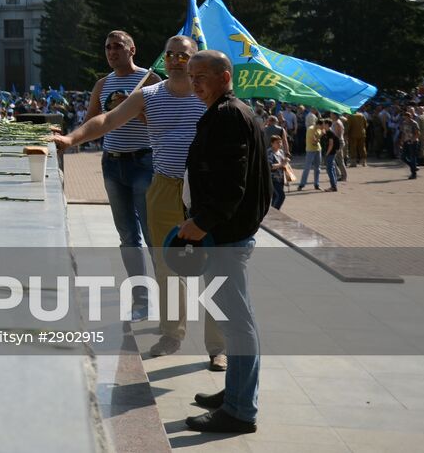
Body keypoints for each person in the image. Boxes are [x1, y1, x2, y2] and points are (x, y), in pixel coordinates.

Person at [54, 36, 224, 367]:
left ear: (193, 61)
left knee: (214, 265)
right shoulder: (148, 95)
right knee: (166, 263)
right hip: (162, 187)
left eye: (183, 55)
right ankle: (171, 333)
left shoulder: (208, 97)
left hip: (204, 191)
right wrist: (70, 139)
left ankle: (218, 346)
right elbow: (107, 120)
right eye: (170, 54)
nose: (175, 60)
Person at [179, 50, 270, 434]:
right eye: (190, 75)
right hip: (223, 234)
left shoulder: (229, 114)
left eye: (201, 75)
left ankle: (239, 411)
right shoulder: (224, 111)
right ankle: (234, 392)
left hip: (225, 236)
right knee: (234, 320)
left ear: (225, 75)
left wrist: (201, 223)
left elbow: (232, 184)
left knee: (238, 324)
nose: (195, 82)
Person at [83, 30, 160, 320]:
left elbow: (161, 123)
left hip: (144, 163)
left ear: (132, 50)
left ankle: (167, 299)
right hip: (113, 165)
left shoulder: (151, 81)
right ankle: (141, 301)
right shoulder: (102, 84)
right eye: (107, 47)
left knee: (153, 235)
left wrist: (131, 108)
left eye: (118, 47)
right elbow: (90, 121)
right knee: (128, 237)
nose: (112, 52)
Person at [296, 117, 324, 191]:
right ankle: (302, 184)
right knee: (307, 168)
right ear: (318, 124)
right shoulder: (311, 129)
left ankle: (316, 184)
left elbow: (317, 141)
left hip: (318, 149)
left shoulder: (319, 129)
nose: (323, 127)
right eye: (322, 126)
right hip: (310, 150)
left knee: (317, 168)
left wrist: (321, 134)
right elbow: (314, 142)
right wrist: (321, 135)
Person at [267, 135, 288, 210]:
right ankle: (275, 213)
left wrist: (285, 162)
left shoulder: (281, 152)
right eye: (277, 143)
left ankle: (271, 214)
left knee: (275, 197)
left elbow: (283, 165)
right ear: (272, 143)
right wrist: (281, 164)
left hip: (280, 178)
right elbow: (270, 166)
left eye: (280, 142)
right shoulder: (269, 152)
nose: (279, 144)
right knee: (281, 196)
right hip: (273, 179)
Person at [399, 110, 420, 179]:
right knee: (403, 157)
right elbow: (403, 133)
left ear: (410, 117)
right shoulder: (404, 123)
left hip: (413, 142)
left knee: (412, 157)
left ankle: (413, 174)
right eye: (405, 117)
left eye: (407, 117)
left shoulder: (414, 123)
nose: (406, 118)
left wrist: (413, 140)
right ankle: (413, 166)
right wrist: (401, 141)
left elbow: (417, 133)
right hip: (406, 141)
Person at [322, 118, 341, 192]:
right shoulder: (327, 132)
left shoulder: (330, 133)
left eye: (324, 123)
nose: (322, 125)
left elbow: (331, 144)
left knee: (329, 169)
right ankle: (334, 184)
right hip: (332, 152)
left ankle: (333, 186)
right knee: (332, 168)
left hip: (331, 153)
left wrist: (327, 154)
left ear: (327, 124)